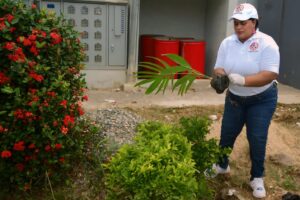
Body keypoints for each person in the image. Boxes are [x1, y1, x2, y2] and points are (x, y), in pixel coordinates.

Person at [208, 3, 280, 199]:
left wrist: (243, 80)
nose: (238, 27)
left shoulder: (267, 43)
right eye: (236, 23)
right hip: (235, 99)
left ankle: (257, 177)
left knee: (257, 137)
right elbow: (219, 67)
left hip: (261, 99)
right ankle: (222, 165)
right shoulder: (227, 43)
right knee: (227, 133)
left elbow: (270, 74)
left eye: (243, 23)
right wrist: (220, 78)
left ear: (254, 22)